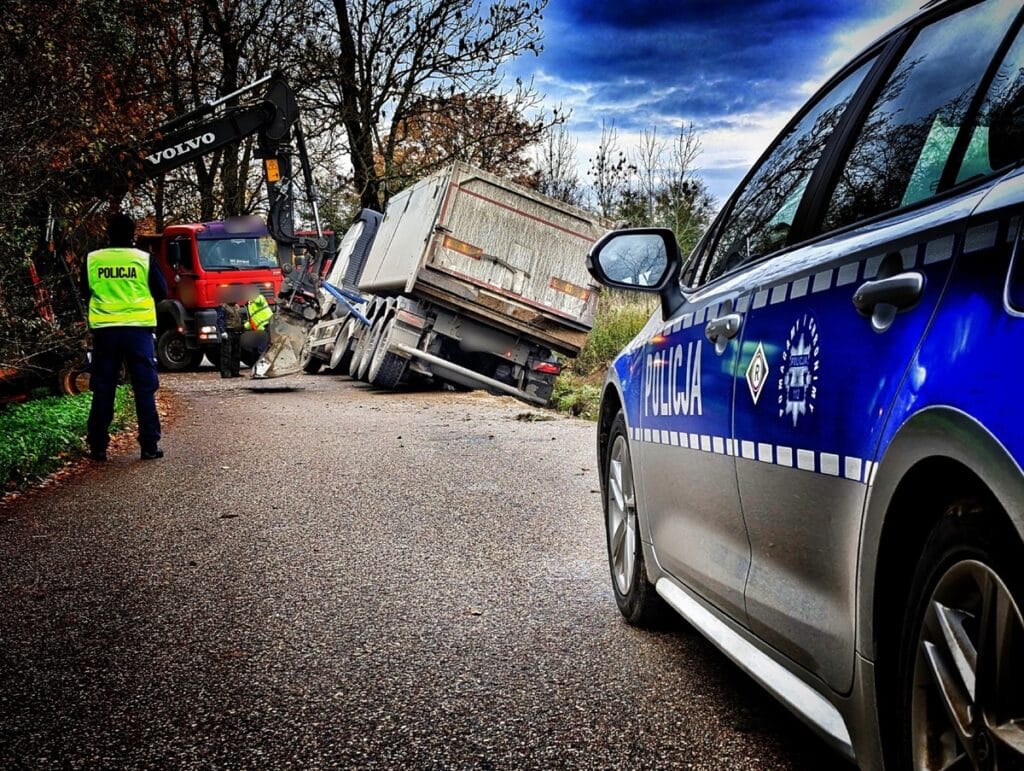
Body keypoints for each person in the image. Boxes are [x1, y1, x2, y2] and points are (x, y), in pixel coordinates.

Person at [82, 213, 168, 460]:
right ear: (132, 234)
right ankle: (149, 446)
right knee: (144, 388)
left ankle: (98, 447)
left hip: (105, 332)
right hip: (138, 331)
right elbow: (160, 292)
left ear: (108, 233)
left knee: (103, 388)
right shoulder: (143, 259)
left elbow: (84, 290)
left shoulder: (93, 260)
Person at [216, 288, 246, 378]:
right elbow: (220, 320)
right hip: (228, 332)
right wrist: (222, 331)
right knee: (226, 353)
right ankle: (225, 372)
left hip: (237, 331)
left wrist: (243, 328)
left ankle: (235, 371)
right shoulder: (223, 307)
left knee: (237, 353)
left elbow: (240, 318)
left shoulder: (237, 307)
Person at [246, 286, 273, 356]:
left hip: (268, 323)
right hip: (261, 327)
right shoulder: (249, 305)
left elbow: (259, 300)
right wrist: (246, 325)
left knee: (265, 345)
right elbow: (253, 317)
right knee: (262, 346)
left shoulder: (260, 297)